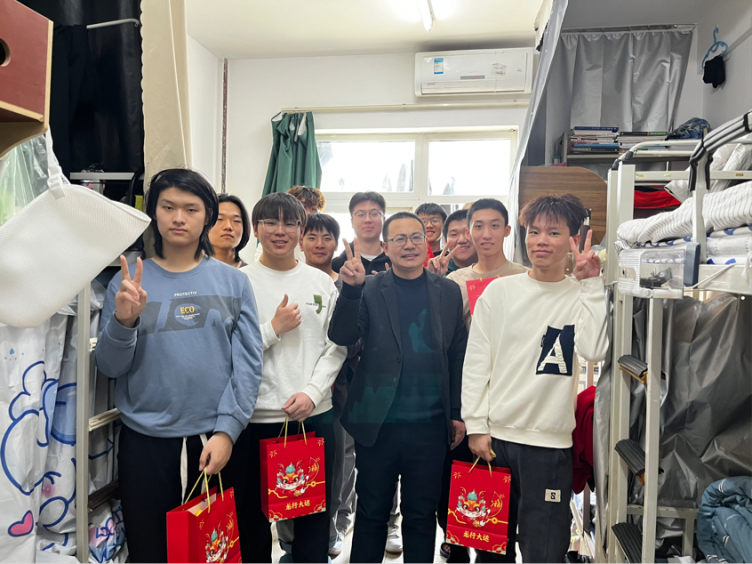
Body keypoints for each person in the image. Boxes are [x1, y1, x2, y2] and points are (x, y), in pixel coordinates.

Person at [95, 169, 263, 564]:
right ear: (154, 212)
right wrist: (124, 321)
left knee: (214, 553)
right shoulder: (129, 283)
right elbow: (110, 367)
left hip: (215, 442)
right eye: (168, 207)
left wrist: (228, 431)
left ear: (207, 217)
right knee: (151, 550)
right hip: (145, 443)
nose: (178, 218)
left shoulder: (233, 282)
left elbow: (249, 364)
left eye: (191, 209)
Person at [463, 194, 609, 564]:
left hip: (549, 445)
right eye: (534, 231)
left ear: (573, 239)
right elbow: (477, 362)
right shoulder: (500, 292)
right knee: (490, 550)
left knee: (544, 550)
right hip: (495, 441)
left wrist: (592, 285)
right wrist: (476, 426)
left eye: (554, 233)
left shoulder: (581, 294)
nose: (541, 241)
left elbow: (594, 349)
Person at [329, 212, 468, 564]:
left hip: (430, 427)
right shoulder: (369, 287)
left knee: (421, 515)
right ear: (386, 247)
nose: (409, 245)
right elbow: (342, 336)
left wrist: (456, 413)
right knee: (372, 512)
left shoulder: (448, 291)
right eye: (399, 239)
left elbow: (457, 355)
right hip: (378, 425)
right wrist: (351, 290)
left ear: (427, 243)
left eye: (416, 237)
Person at [240, 193, 346, 564]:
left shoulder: (322, 283)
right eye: (270, 222)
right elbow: (229, 349)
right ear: (256, 229)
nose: (280, 231)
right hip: (253, 419)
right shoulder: (240, 282)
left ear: (302, 231)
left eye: (290, 223)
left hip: (312, 417)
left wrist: (313, 393)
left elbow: (336, 346)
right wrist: (272, 329)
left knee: (313, 521)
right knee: (252, 520)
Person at [447, 199, 528, 330]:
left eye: (495, 226)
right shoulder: (455, 281)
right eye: (478, 226)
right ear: (468, 233)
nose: (487, 235)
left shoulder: (526, 276)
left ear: (507, 230)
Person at [254, 185, 325, 263]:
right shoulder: (274, 239)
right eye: (304, 207)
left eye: (314, 209)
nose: (308, 213)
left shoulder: (321, 242)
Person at [332, 191, 391, 274]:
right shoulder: (338, 265)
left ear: (384, 220)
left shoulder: (396, 261)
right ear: (352, 221)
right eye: (361, 214)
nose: (367, 220)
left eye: (374, 214)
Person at [427, 208, 478, 277]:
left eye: (468, 233)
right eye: (454, 234)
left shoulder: (491, 269)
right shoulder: (439, 270)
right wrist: (432, 277)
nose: (462, 240)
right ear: (446, 241)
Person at [209, 193, 251, 268]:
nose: (228, 226)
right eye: (219, 219)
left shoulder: (248, 273)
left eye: (236, 221)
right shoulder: (190, 270)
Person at [301, 213, 340, 283]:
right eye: (312, 238)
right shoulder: (290, 283)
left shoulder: (347, 284)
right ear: (301, 244)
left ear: (336, 245)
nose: (319, 245)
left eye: (327, 238)